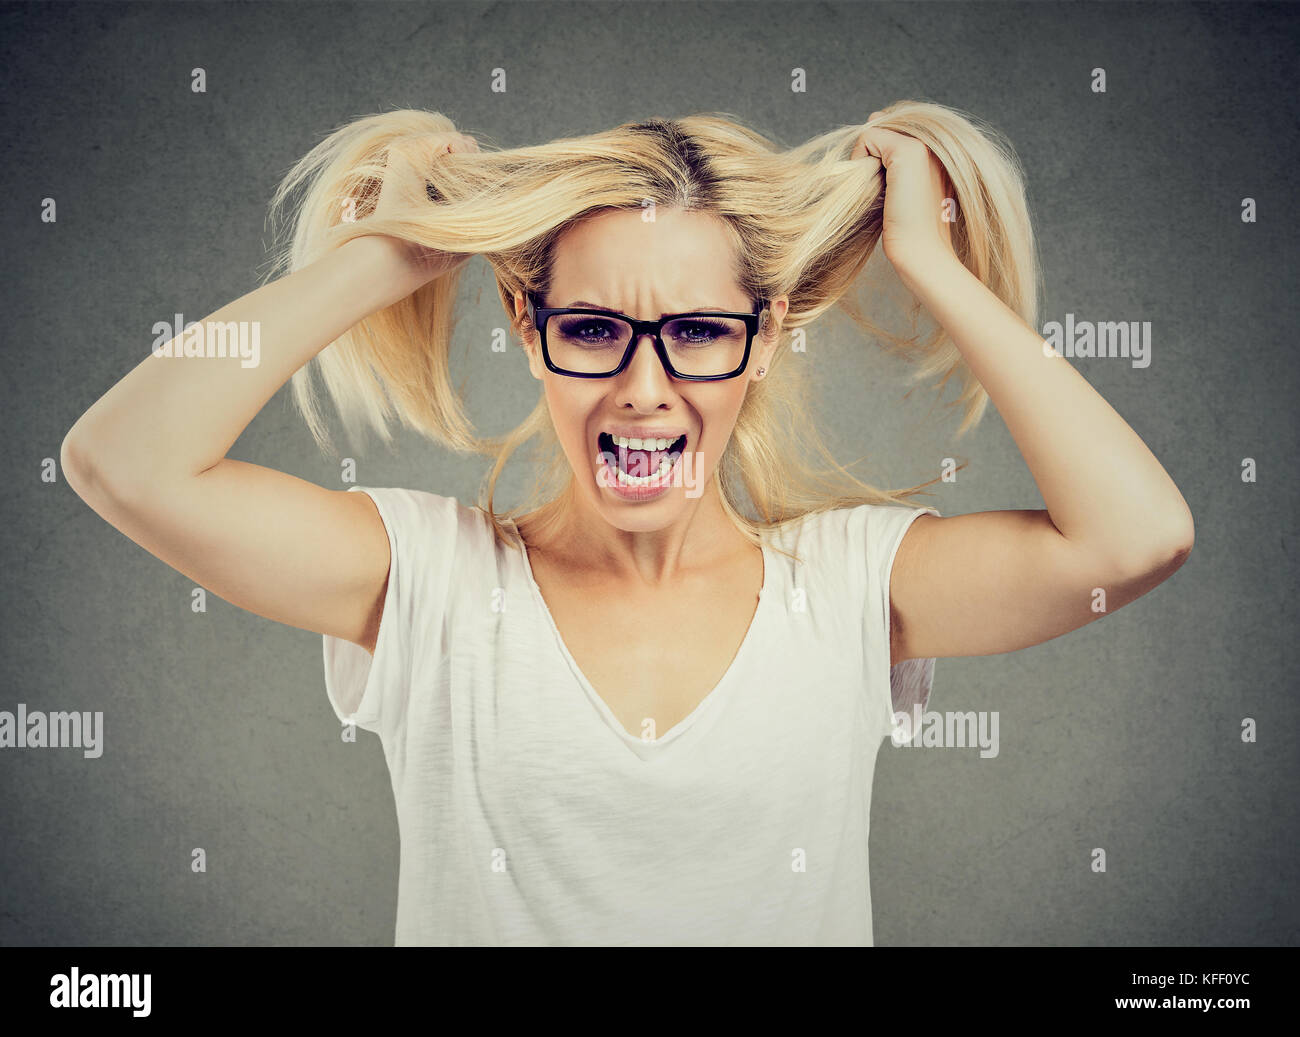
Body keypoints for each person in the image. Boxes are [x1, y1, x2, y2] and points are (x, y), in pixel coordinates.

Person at [61, 102, 1193, 945]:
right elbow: (121, 462)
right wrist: (388, 256)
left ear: (767, 332)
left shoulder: (847, 587)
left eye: (700, 330)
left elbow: (1132, 538)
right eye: (594, 327)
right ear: (526, 318)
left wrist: (930, 264)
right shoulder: (428, 581)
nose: (644, 388)